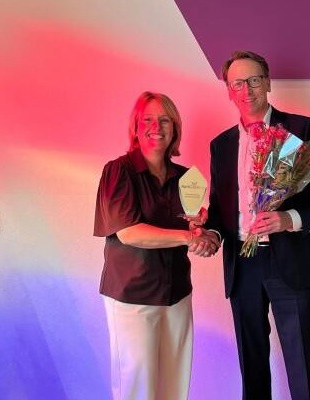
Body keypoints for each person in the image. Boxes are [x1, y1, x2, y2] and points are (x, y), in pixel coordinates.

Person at [205, 51, 310, 400]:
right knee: (251, 370)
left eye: (254, 80)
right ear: (229, 90)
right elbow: (219, 211)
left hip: (291, 263)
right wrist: (209, 233)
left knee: (304, 368)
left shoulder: (300, 130)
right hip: (242, 267)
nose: (247, 89)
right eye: (238, 83)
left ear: (267, 83)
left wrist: (287, 219)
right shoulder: (221, 145)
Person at [93, 91, 220, 400]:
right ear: (135, 127)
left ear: (175, 127)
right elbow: (129, 233)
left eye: (164, 120)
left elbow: (192, 224)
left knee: (174, 386)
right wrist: (188, 238)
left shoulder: (186, 178)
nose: (156, 127)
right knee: (137, 388)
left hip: (177, 293)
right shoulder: (118, 171)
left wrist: (203, 232)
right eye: (147, 119)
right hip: (133, 297)